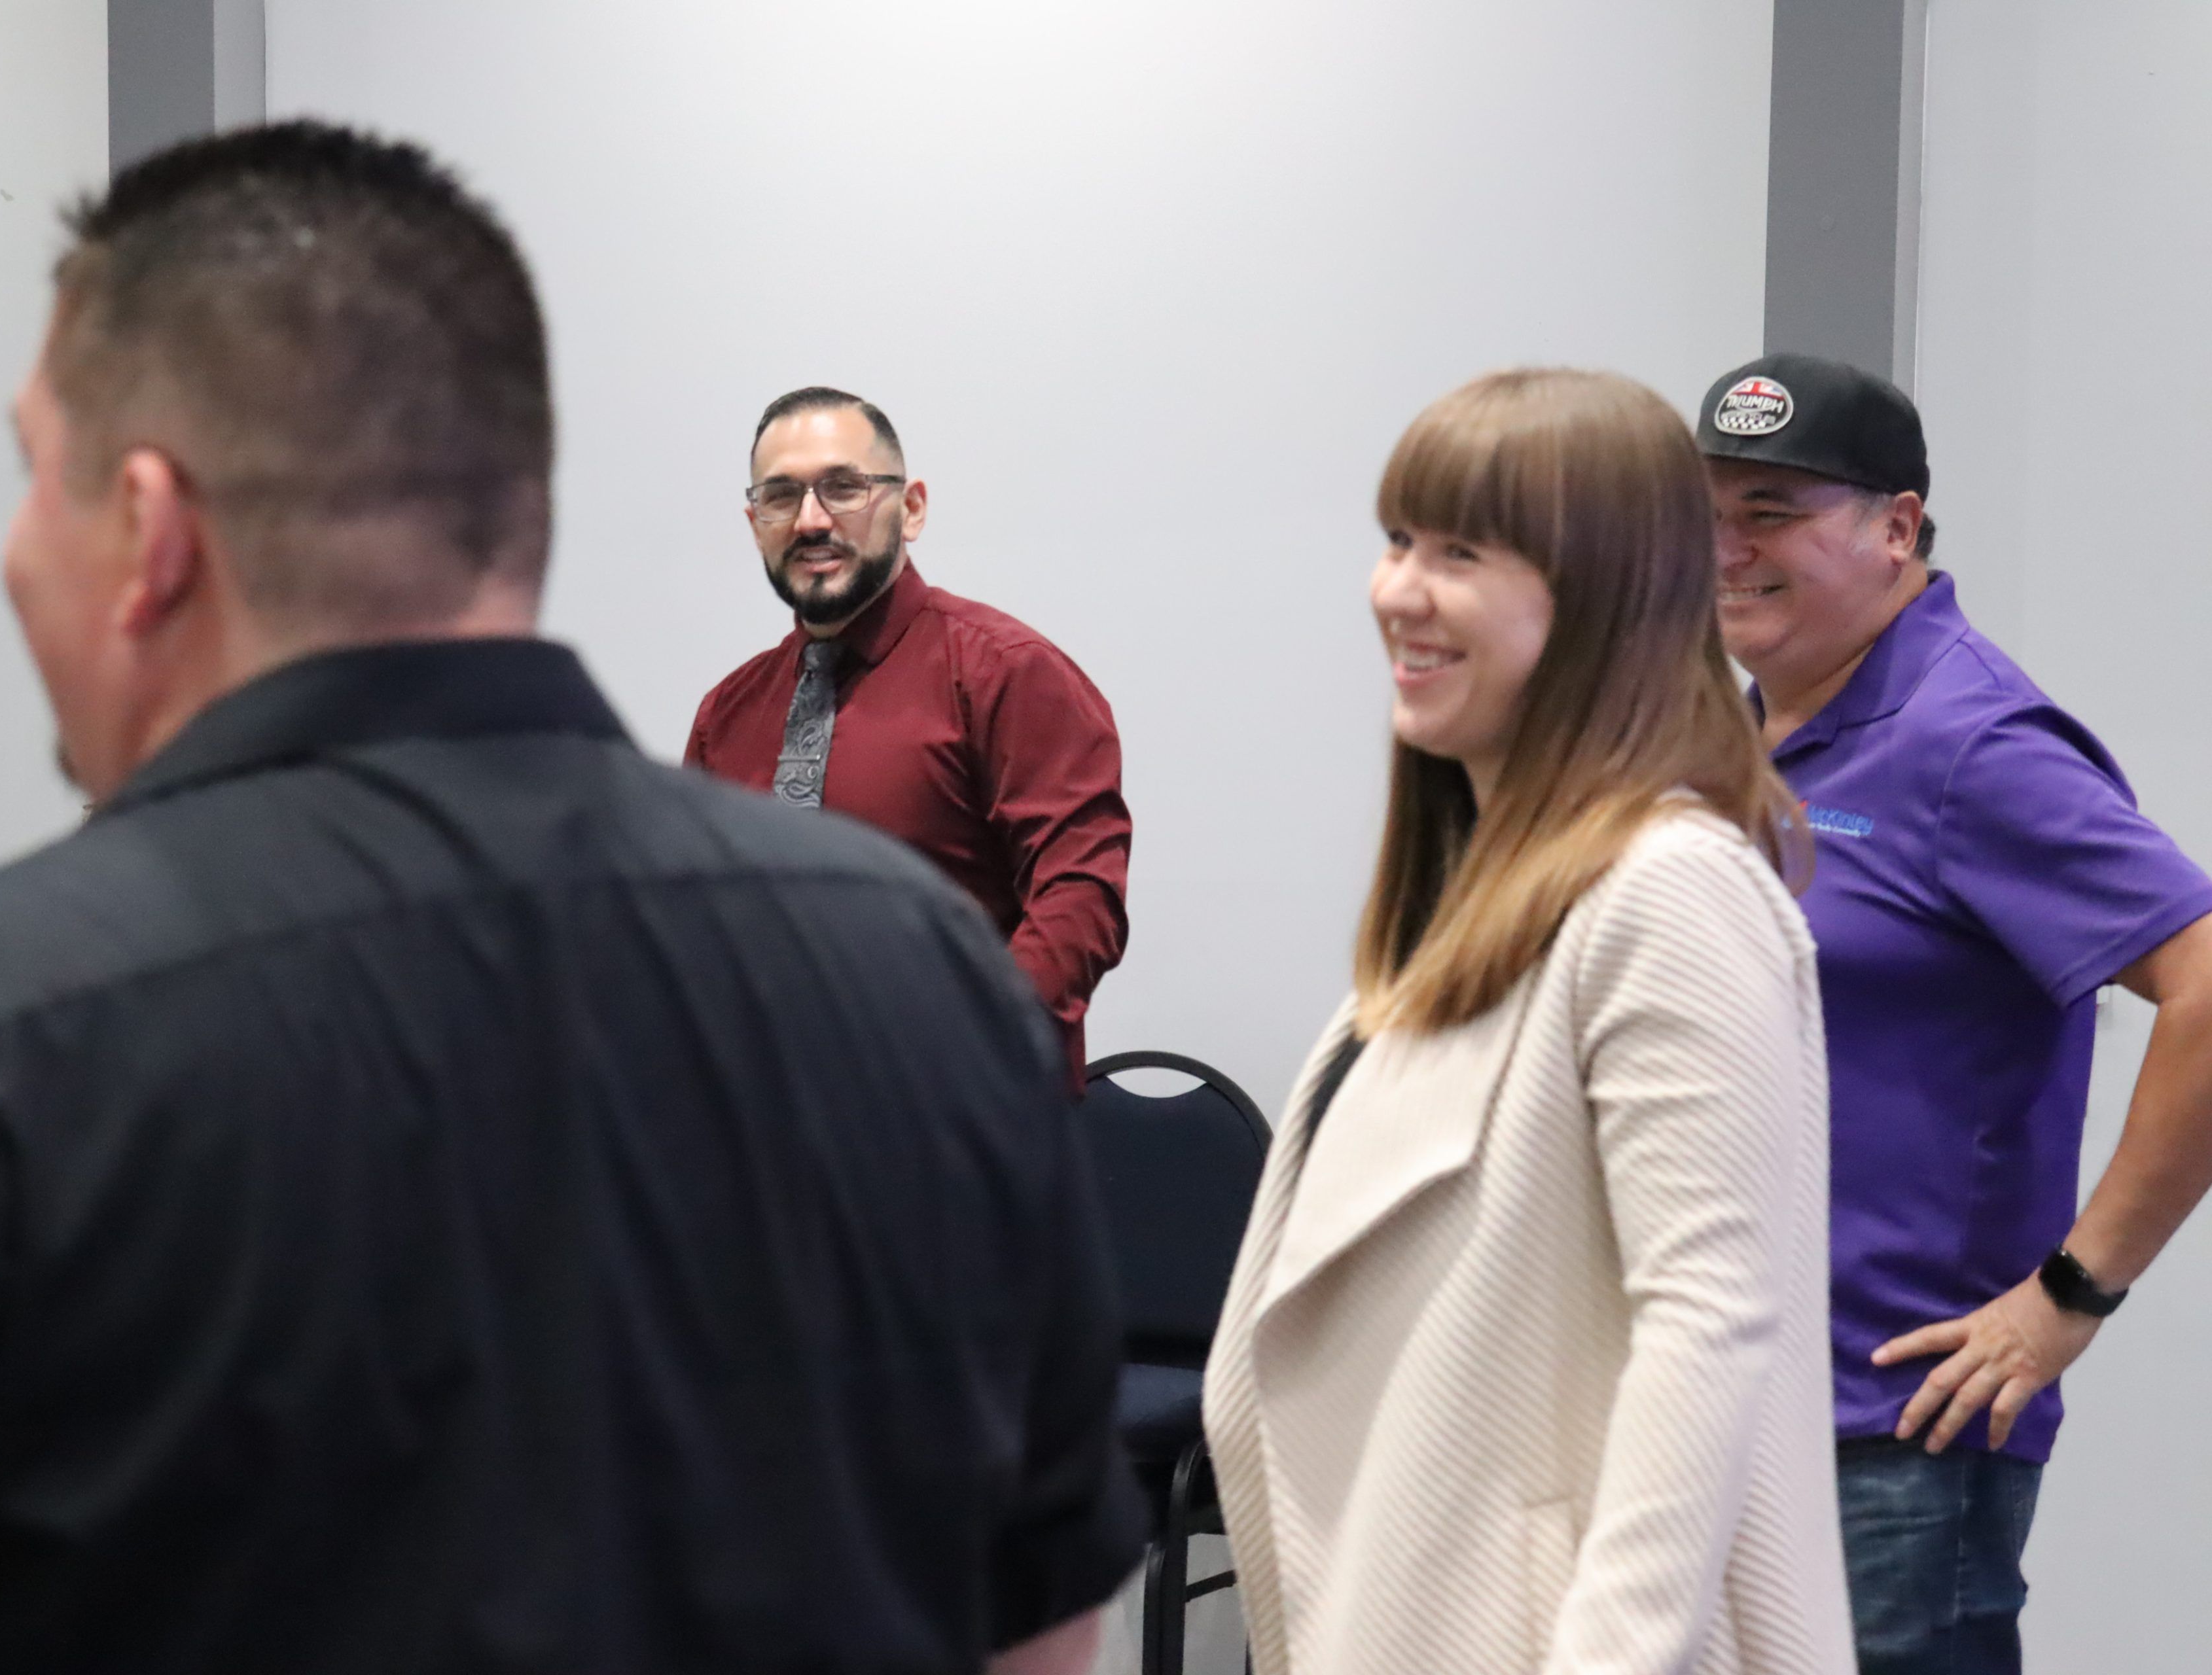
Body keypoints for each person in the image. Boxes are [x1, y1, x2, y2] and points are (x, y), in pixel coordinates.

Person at [0, 122, 1143, 1675]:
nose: (813, 516)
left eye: (30, 476)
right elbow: (1037, 1631)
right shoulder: (916, 982)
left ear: (149, 530)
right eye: (781, 491)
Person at [1204, 368, 1853, 1675]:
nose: (1399, 591)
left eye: (1461, 553)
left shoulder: (1667, 889)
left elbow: (1706, 1336)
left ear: (1605, 593)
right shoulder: (1476, 905)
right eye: (1400, 540)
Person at [1702, 351, 2212, 1673]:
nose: (1728, 549)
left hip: (1895, 1436)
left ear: (1898, 526)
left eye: (1771, 512)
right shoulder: (1743, 737)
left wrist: (2071, 1295)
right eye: (1707, 514)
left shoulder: (1969, 742)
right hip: (1734, 1399)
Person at [686, 389, 1129, 1093]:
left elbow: (1079, 898)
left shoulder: (1006, 673)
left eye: (843, 487)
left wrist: (963, 1050)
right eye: (781, 496)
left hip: (962, 1123)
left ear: (912, 508)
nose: (811, 520)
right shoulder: (726, 717)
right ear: (755, 524)